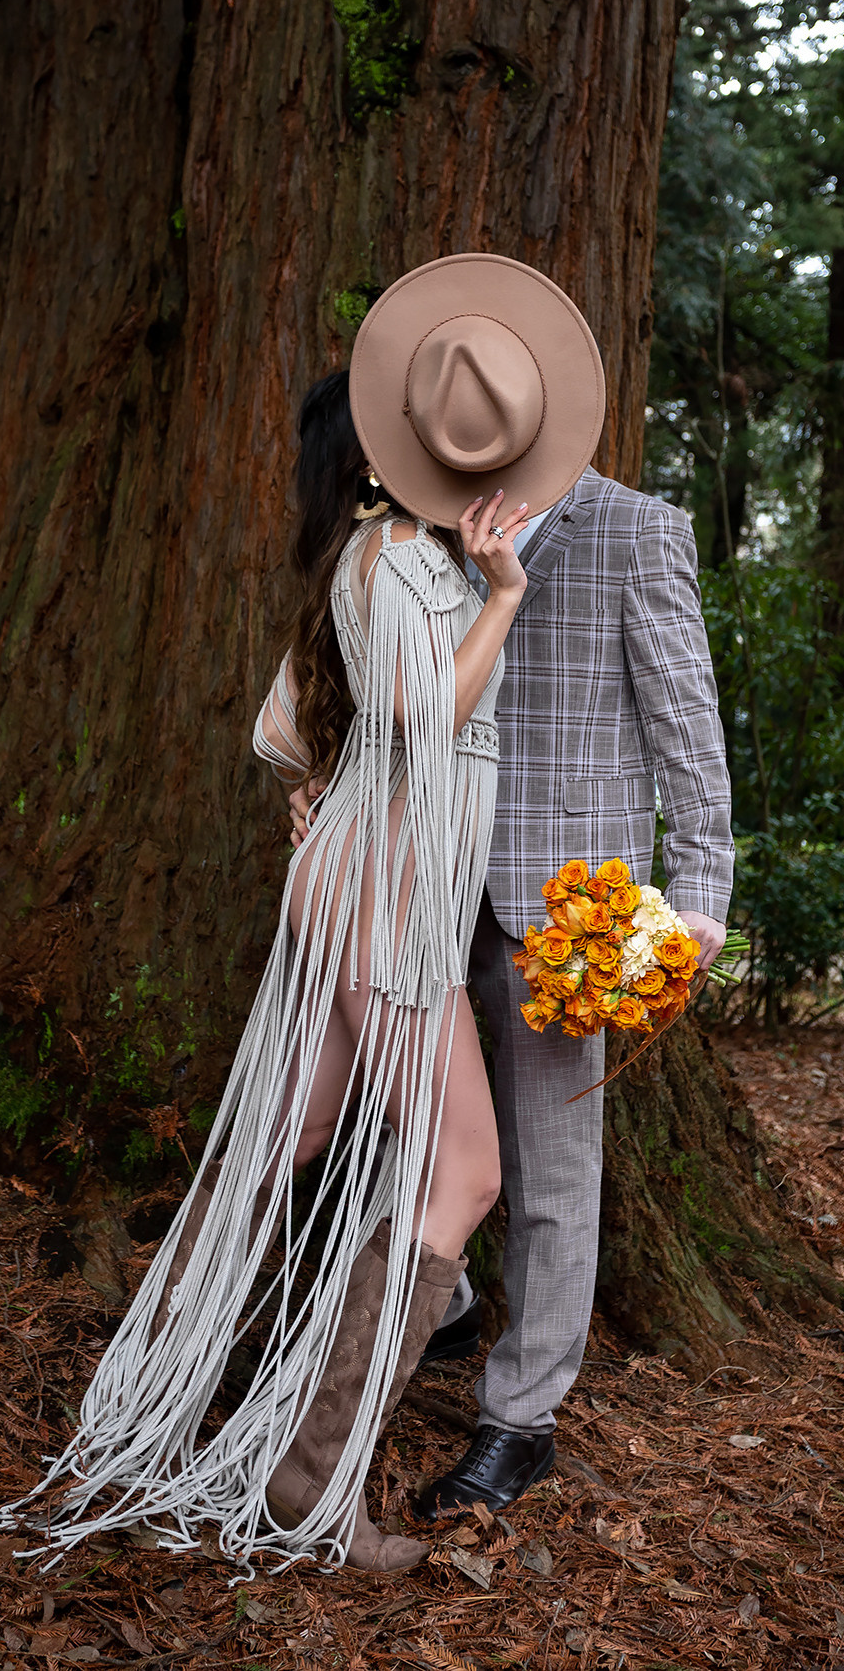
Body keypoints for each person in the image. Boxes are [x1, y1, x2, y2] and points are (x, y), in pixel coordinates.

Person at [0, 254, 607, 1572]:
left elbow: (288, 728)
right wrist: (502, 598)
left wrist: (328, 785)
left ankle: (143, 1393)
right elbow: (428, 717)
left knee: (296, 1125)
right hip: (388, 888)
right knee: (471, 1169)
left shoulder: (395, 561)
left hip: (383, 874)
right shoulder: (394, 562)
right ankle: (308, 1476)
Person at [295, 262, 735, 1524]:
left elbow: (691, 738)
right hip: (418, 884)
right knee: (402, 1133)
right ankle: (449, 1299)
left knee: (551, 1169)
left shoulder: (636, 530)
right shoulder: (413, 530)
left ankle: (519, 1417)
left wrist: (697, 898)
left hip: (568, 910)